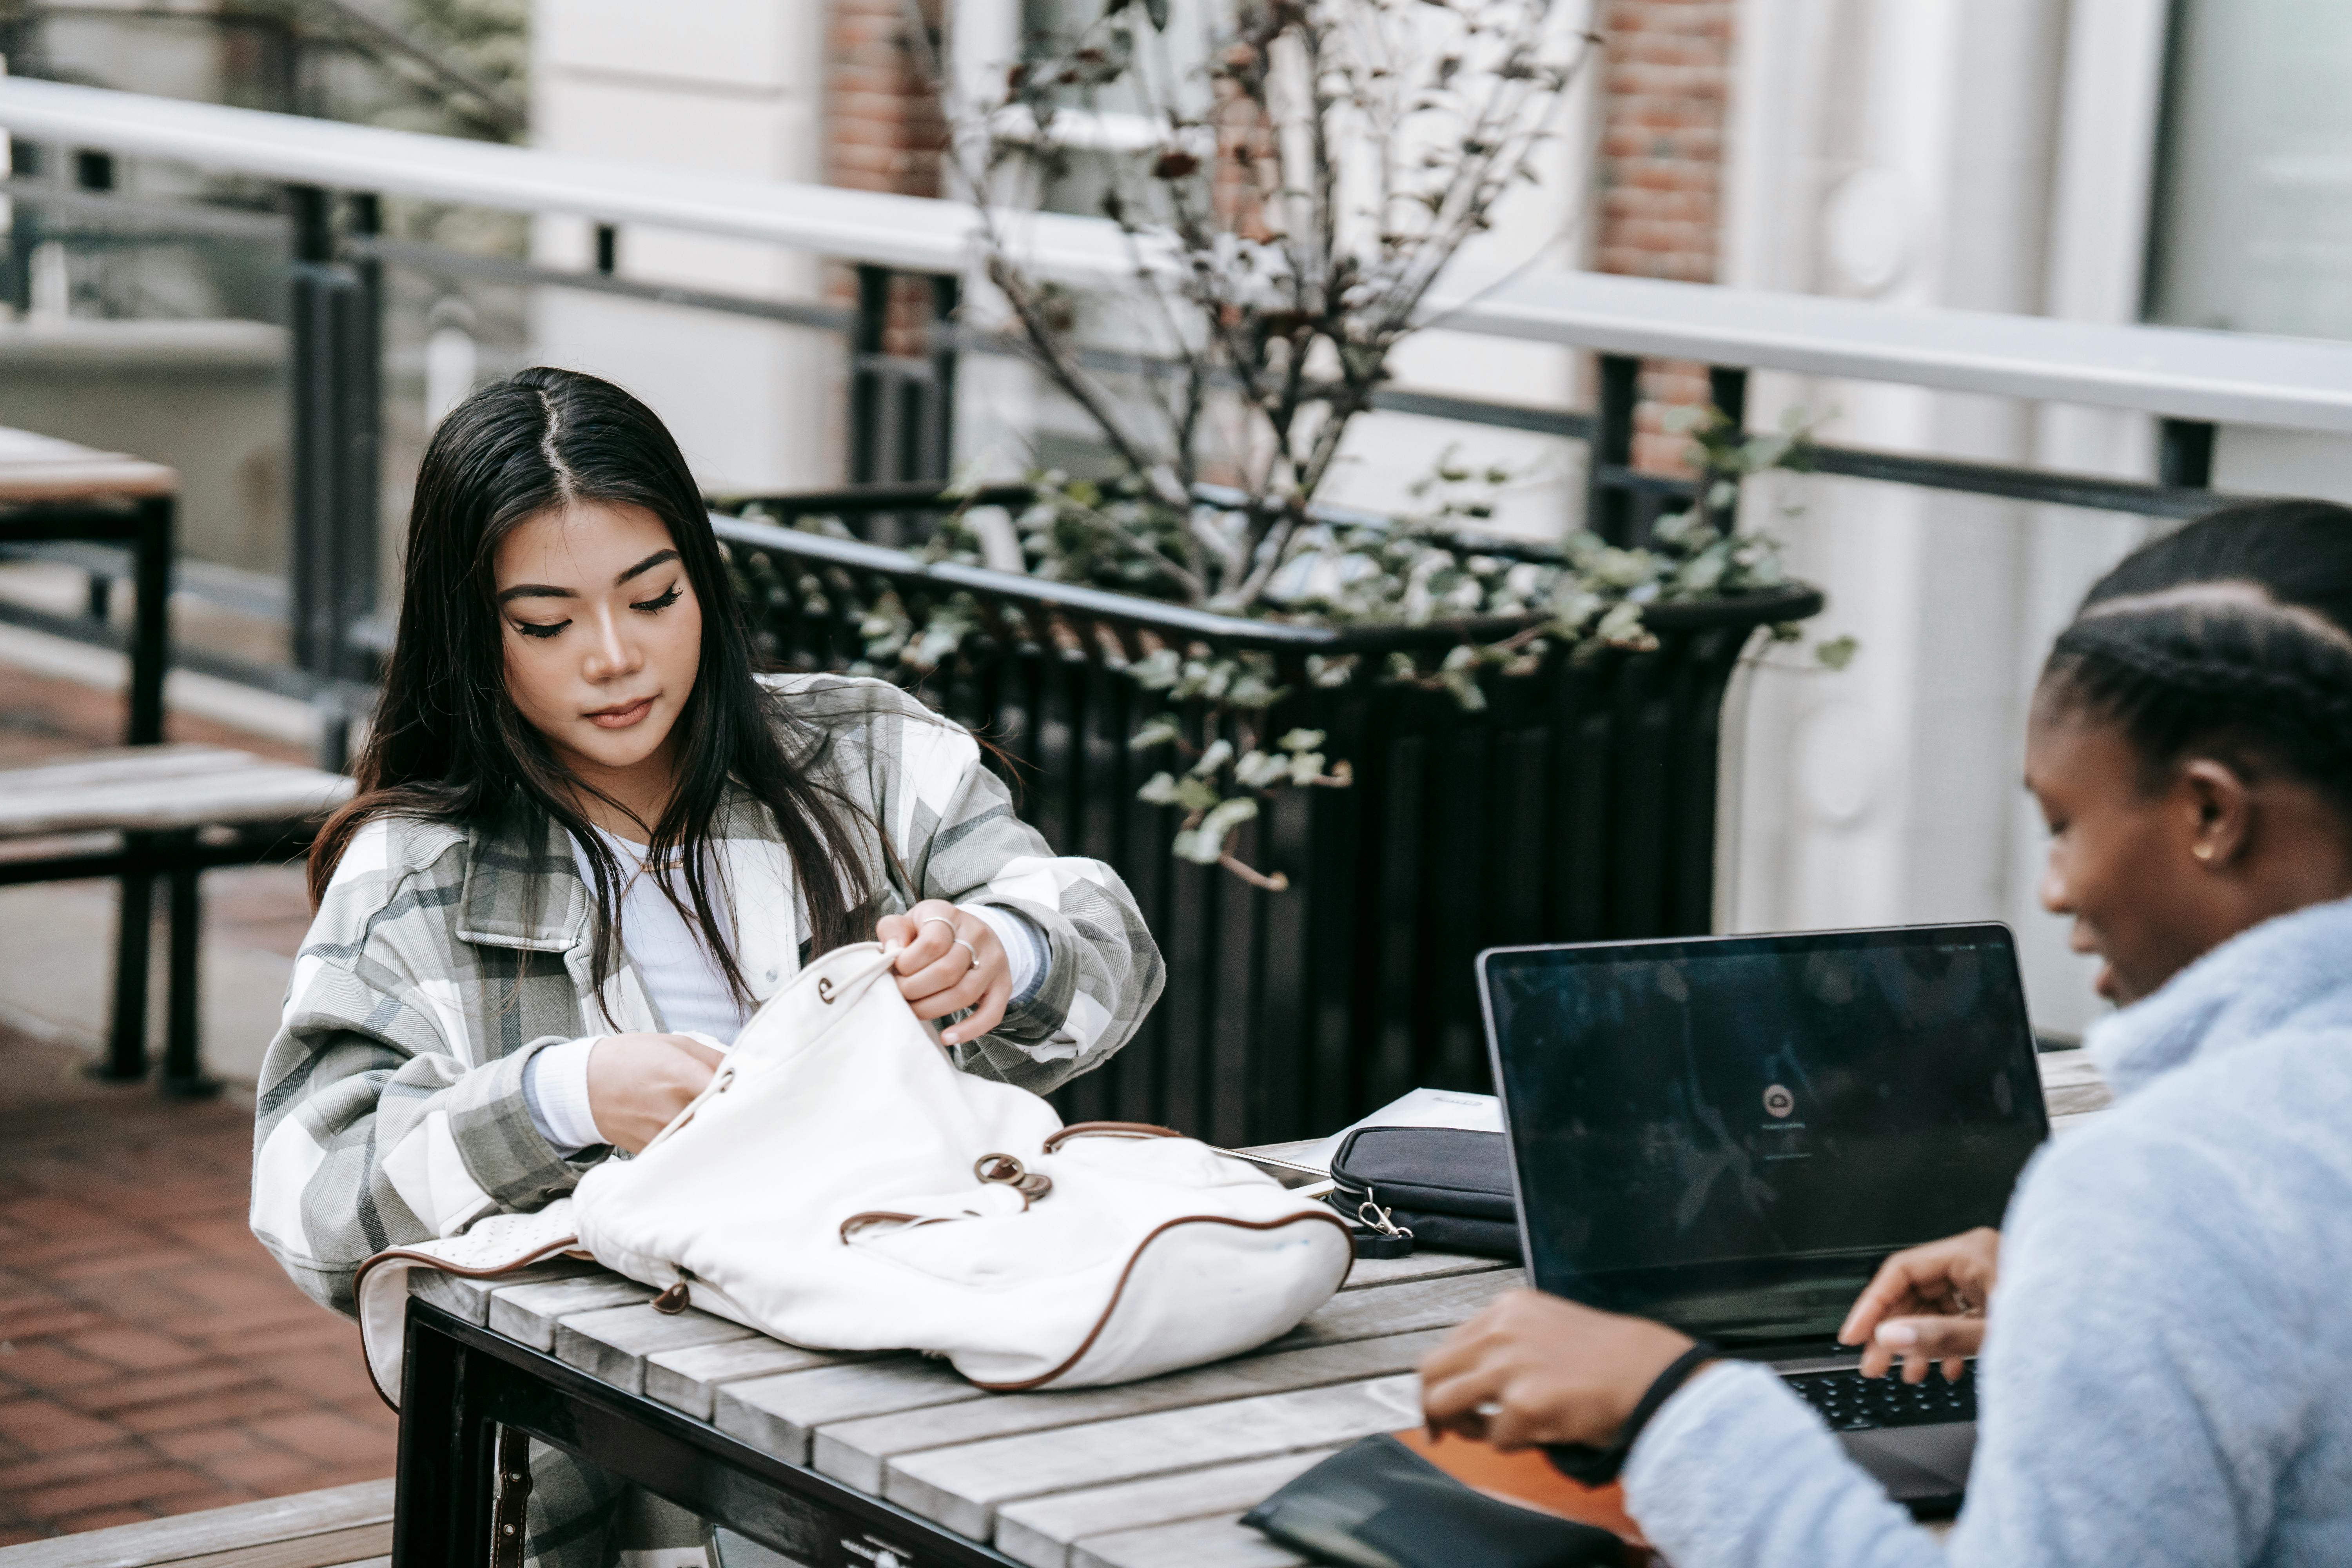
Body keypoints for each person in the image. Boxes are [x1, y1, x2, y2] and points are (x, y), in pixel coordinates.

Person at [247, 367, 1164, 1567]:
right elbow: (313, 1204)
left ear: (704, 582)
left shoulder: (868, 755)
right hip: (615, 1488)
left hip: (922, 1409)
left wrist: (1004, 948)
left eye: (655, 596)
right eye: (547, 623)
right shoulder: (414, 869)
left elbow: (1103, 938)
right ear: (473, 632)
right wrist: (559, 1099)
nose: (615, 658)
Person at [1421, 499, 2352, 1565]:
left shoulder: (2167, 1193)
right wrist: (2095, 1335)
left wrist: (1671, 1404)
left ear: (2209, 815)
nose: (2052, 891)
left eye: (2063, 824)